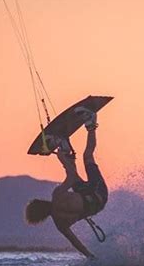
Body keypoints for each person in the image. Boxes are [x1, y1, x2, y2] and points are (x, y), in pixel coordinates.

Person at [25, 108, 108, 258]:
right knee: (87, 156)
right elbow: (71, 176)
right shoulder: (57, 196)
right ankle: (91, 123)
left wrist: (90, 256)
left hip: (96, 202)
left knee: (74, 176)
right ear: (40, 203)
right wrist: (61, 159)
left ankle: (64, 147)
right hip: (97, 192)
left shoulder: (60, 224)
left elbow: (75, 242)